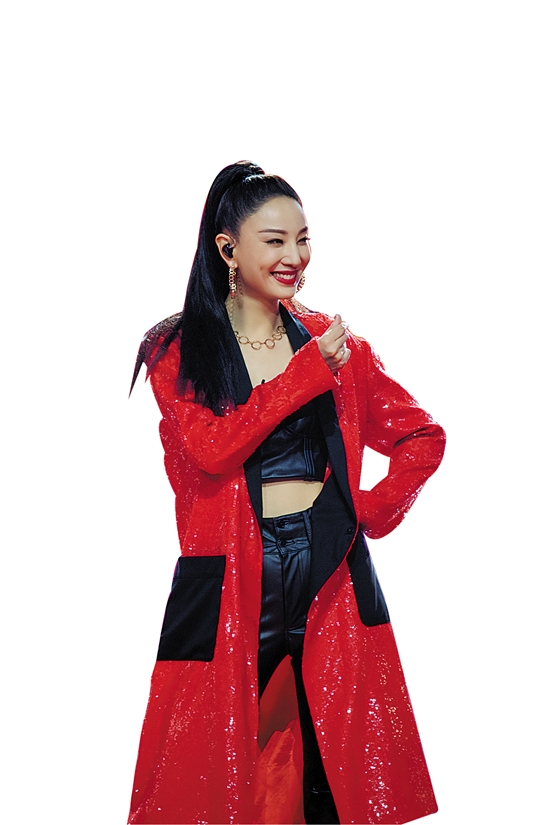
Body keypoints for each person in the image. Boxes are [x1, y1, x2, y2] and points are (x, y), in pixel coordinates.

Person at [127, 161, 445, 825]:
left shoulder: (336, 344)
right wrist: (303, 375)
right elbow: (212, 448)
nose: (294, 256)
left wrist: (369, 510)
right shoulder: (179, 350)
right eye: (274, 240)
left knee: (330, 763)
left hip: (329, 568)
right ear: (228, 249)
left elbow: (422, 435)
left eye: (303, 239)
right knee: (221, 765)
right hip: (229, 575)